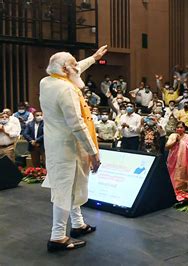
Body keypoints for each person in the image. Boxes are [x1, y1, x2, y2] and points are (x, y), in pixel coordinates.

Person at [39, 45, 106, 252]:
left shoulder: (48, 81)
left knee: (71, 185)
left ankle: (77, 225)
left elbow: (75, 70)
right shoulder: (67, 89)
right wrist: (93, 153)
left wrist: (93, 58)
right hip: (69, 147)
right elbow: (77, 124)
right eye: (74, 64)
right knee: (64, 191)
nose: (78, 67)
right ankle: (57, 237)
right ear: (66, 69)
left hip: (56, 145)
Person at [165, 122, 188, 191]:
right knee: (171, 173)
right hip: (173, 158)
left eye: (181, 127)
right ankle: (171, 188)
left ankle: (182, 189)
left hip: (183, 159)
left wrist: (181, 142)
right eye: (177, 127)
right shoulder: (172, 135)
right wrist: (175, 141)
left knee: (181, 172)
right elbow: (167, 146)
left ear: (184, 128)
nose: (179, 129)